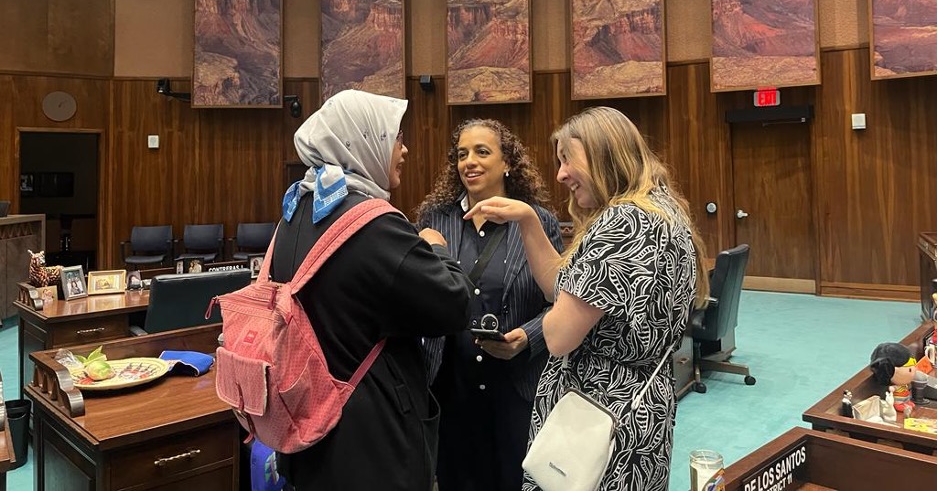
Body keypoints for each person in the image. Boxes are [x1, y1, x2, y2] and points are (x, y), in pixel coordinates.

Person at [466, 106, 710, 491]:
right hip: (636, 412)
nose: (560, 174)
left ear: (603, 154)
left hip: (596, 421)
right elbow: (561, 287)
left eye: (567, 159)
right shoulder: (661, 211)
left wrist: (540, 320)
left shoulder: (624, 222)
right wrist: (528, 220)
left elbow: (561, 334)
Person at [268, 89, 472, 491]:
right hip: (369, 444)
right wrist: (436, 248)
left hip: (308, 430)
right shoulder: (372, 225)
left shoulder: (295, 214)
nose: (405, 149)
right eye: (395, 137)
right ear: (361, 140)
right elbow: (456, 304)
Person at [415, 119, 564, 491]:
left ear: (507, 162)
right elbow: (420, 295)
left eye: (482, 152)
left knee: (515, 480)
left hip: (517, 387)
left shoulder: (536, 220)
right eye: (462, 154)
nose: (470, 162)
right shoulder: (435, 220)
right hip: (451, 388)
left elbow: (561, 299)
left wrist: (527, 338)